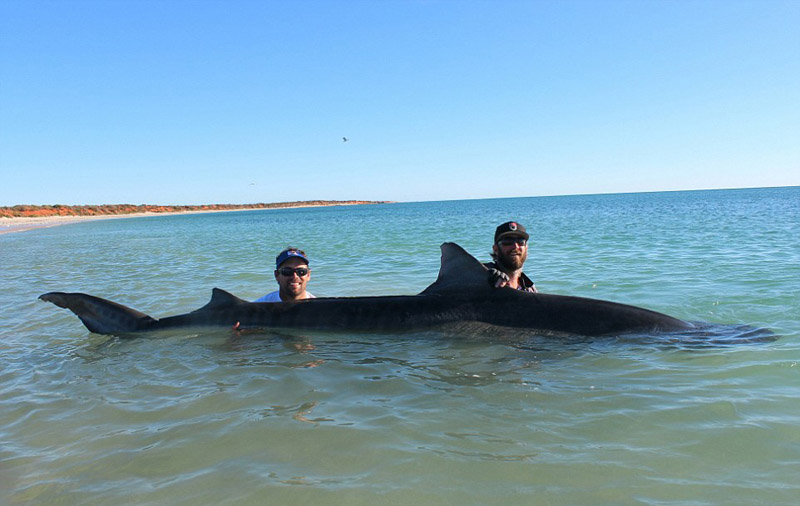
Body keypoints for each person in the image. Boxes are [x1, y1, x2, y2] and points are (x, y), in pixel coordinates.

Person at [485, 221, 538, 293]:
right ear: (496, 249)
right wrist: (484, 276)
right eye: (508, 241)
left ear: (526, 248)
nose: (515, 246)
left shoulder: (530, 290)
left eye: (521, 242)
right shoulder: (485, 276)